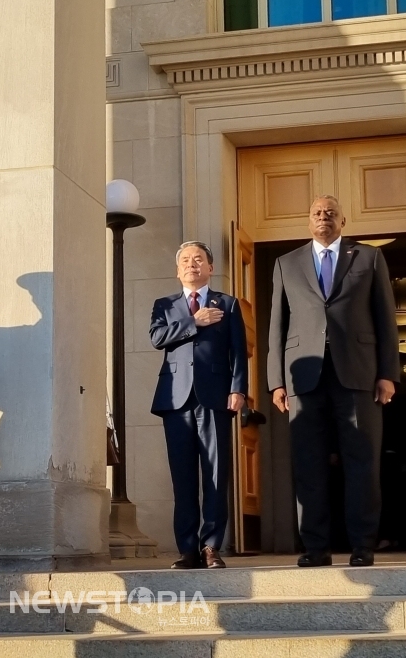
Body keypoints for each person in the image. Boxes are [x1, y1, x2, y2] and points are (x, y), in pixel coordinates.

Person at [267, 195, 399, 568]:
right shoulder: (286, 263)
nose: (323, 217)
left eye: (331, 213)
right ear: (308, 222)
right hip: (303, 377)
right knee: (308, 463)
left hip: (358, 374)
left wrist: (388, 373)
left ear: (344, 222)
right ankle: (315, 547)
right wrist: (276, 381)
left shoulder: (369, 257)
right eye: (316, 213)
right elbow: (276, 325)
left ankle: (362, 545)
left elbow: (385, 318)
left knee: (362, 461)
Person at [149, 241, 247, 569]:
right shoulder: (164, 305)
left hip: (215, 397)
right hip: (175, 400)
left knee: (216, 474)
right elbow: (157, 338)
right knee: (184, 477)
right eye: (186, 261)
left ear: (210, 267)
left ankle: (212, 547)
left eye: (199, 260)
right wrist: (196, 322)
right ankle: (188, 549)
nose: (193, 265)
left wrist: (238, 389)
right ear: (178, 271)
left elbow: (238, 351)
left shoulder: (229, 304)